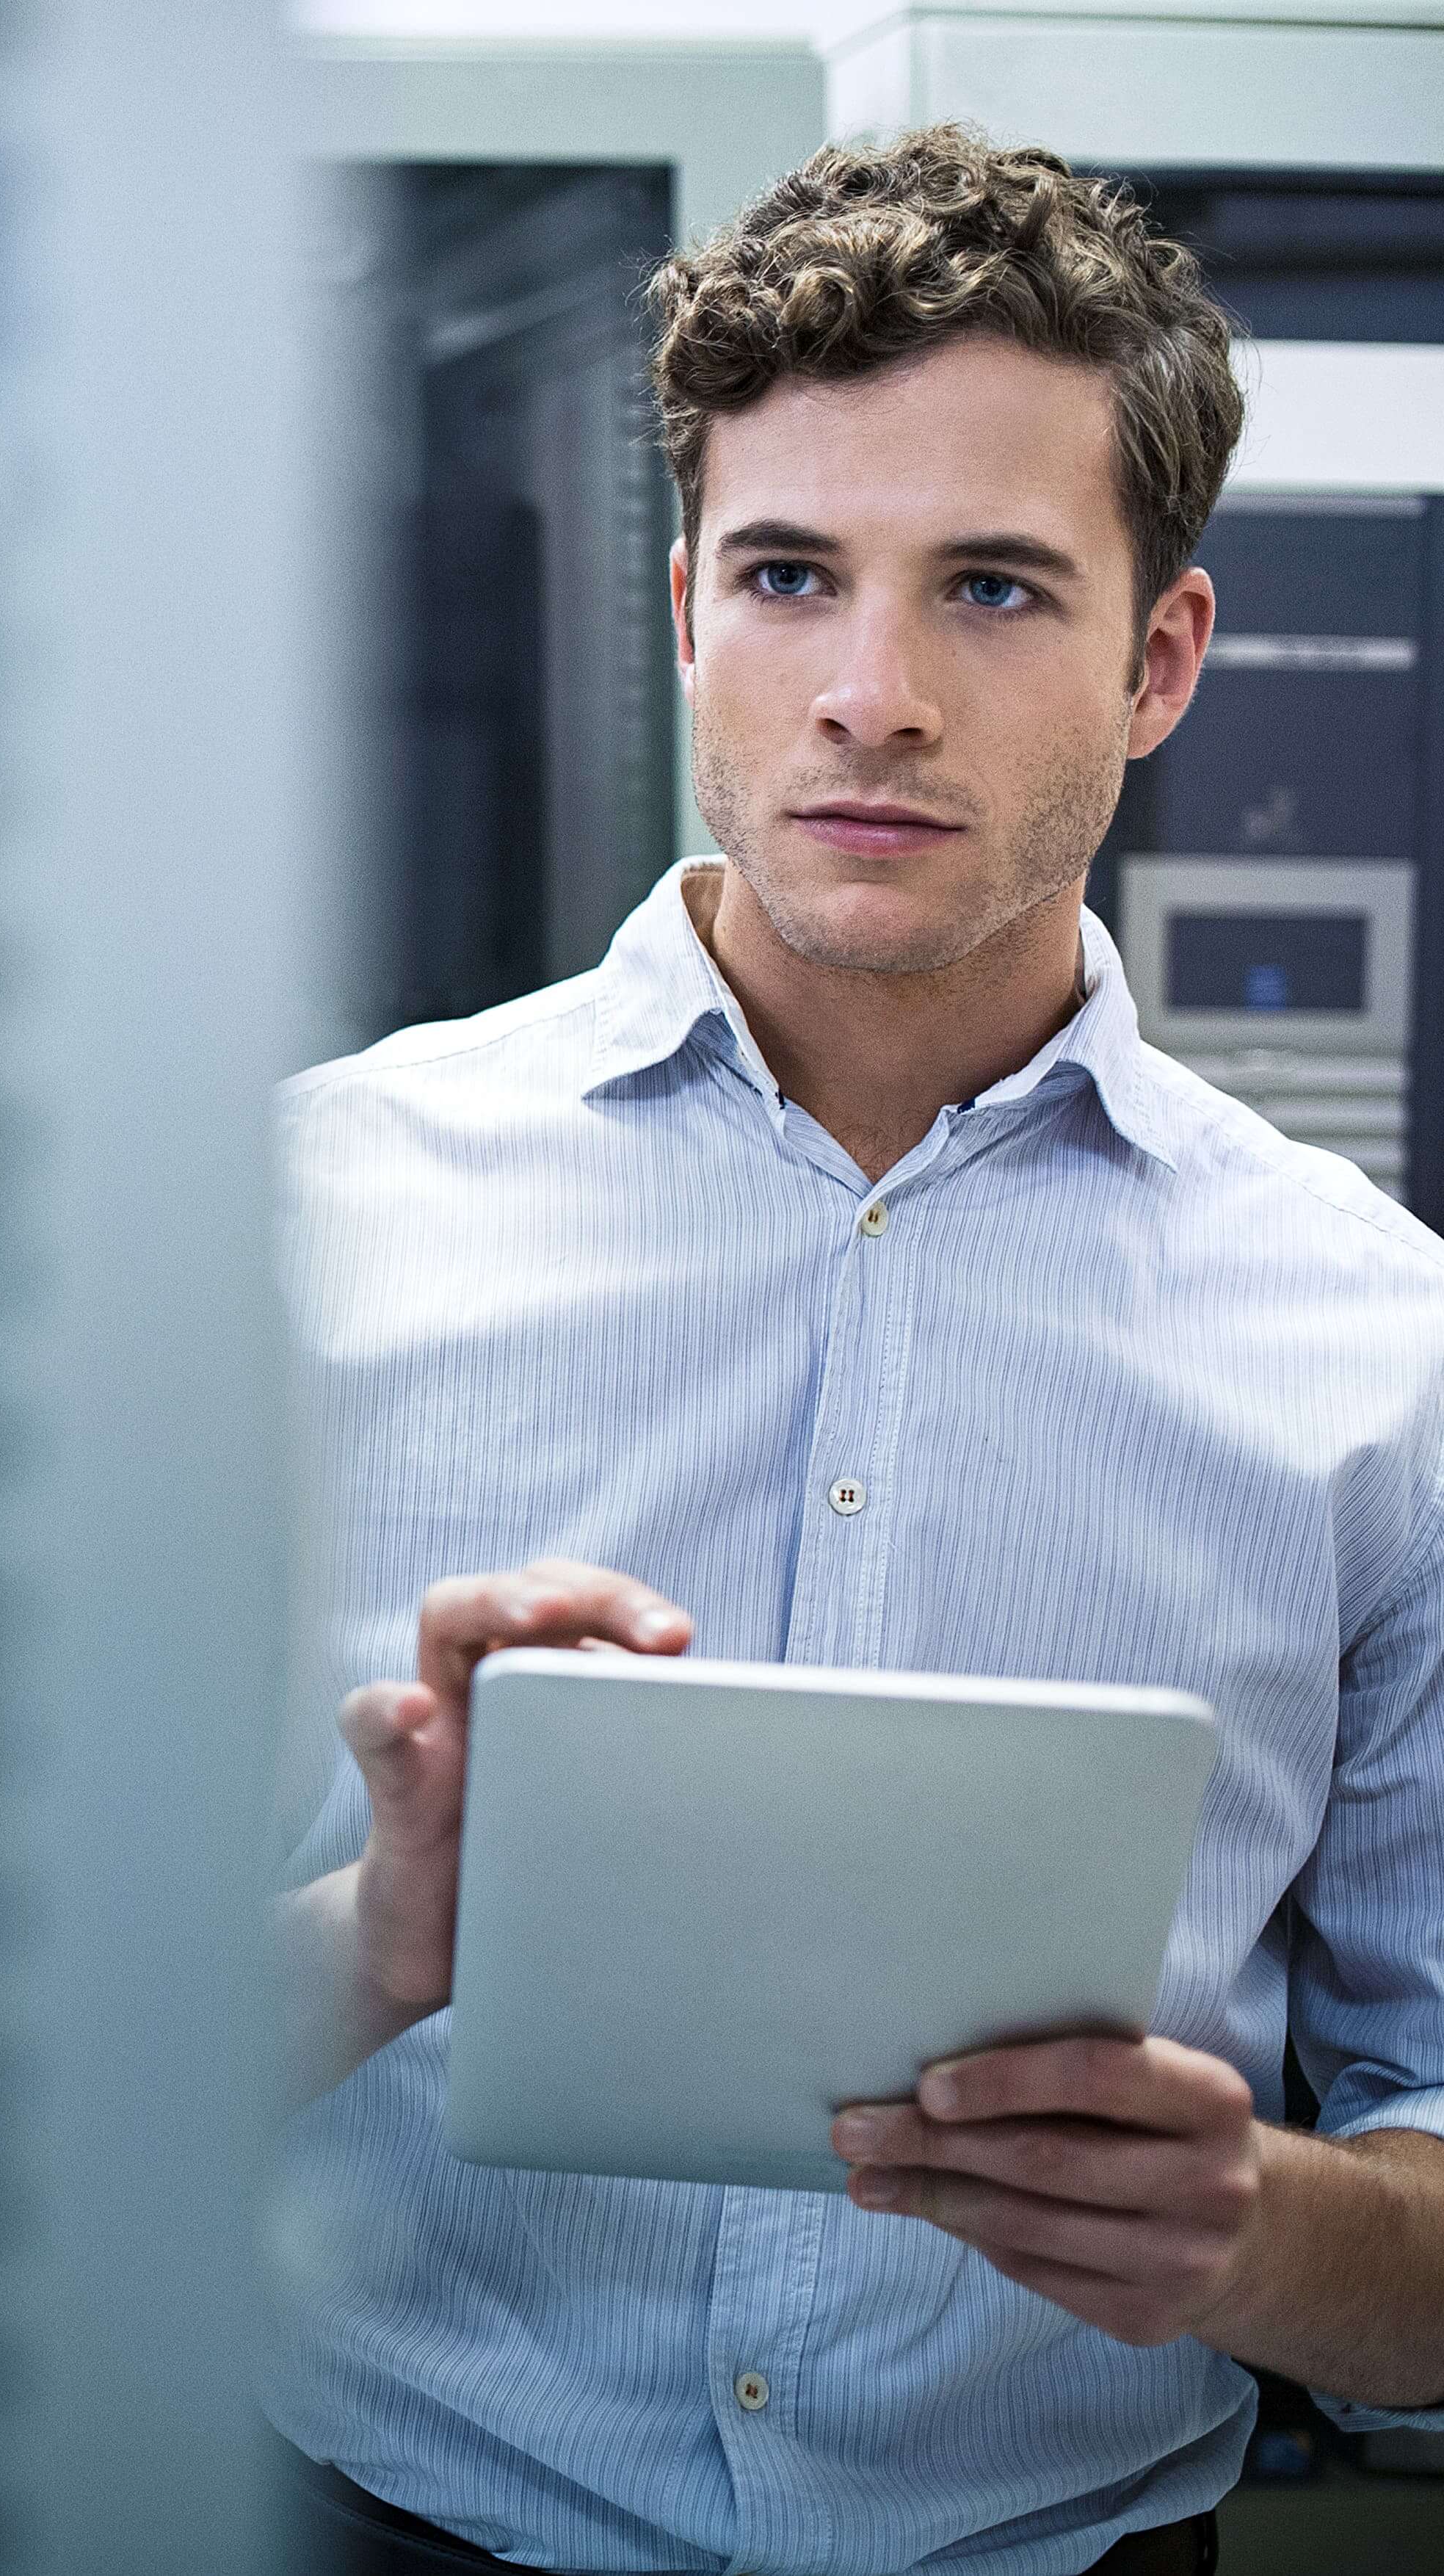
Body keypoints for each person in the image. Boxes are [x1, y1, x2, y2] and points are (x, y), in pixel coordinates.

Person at [275, 124, 1444, 2576]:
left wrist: (1250, 2238)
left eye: (996, 589)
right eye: (792, 575)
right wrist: (378, 1943)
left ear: (1161, 663)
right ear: (688, 603)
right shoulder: (306, 1223)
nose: (875, 695)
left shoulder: (1385, 1352)